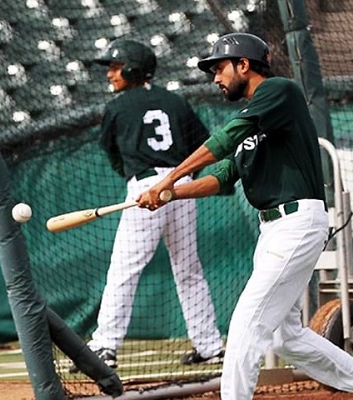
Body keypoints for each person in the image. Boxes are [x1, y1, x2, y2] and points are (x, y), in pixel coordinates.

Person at [137, 32, 353, 400]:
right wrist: (170, 194)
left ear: (243, 65)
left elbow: (226, 138)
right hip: (273, 230)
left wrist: (169, 176)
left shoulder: (280, 92)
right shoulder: (254, 122)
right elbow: (224, 174)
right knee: (286, 336)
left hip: (296, 222)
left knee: (247, 323)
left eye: (220, 68)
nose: (216, 77)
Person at [73, 38, 224, 371]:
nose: (110, 74)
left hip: (145, 188)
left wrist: (137, 181)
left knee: (124, 269)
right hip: (181, 186)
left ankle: (105, 347)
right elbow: (202, 146)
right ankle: (210, 346)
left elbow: (114, 154)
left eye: (114, 67)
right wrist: (182, 179)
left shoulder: (117, 107)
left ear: (132, 68)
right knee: (189, 269)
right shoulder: (175, 100)